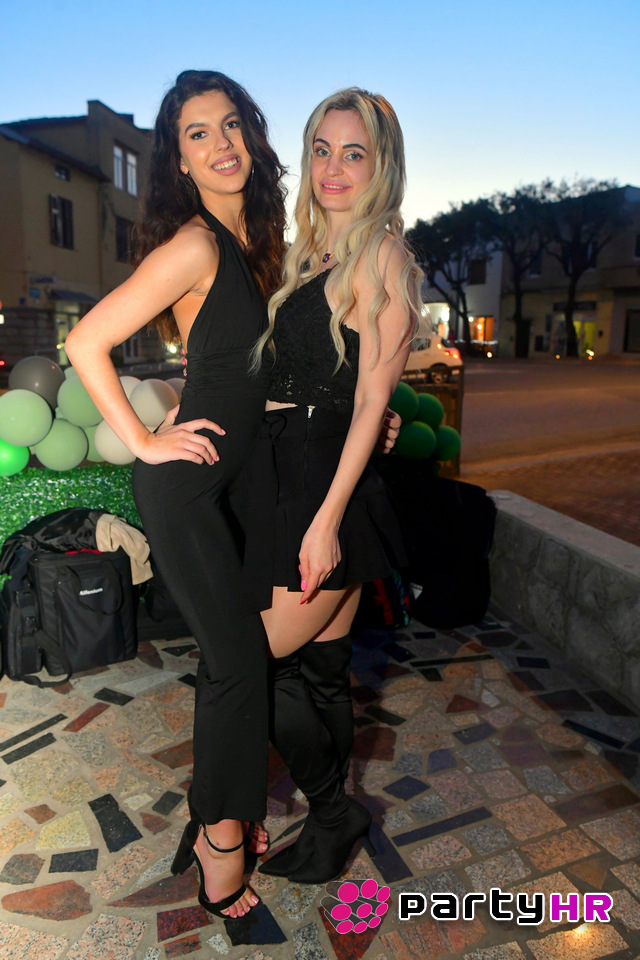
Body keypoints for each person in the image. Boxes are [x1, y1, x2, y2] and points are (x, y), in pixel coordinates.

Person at [65, 69, 287, 920]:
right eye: (199, 133)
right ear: (181, 162)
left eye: (231, 125)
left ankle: (221, 812)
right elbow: (87, 342)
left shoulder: (253, 243)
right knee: (236, 663)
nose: (221, 143)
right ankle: (219, 842)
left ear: (251, 138)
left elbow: (244, 375)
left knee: (243, 659)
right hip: (186, 487)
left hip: (238, 479)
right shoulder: (196, 245)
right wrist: (145, 439)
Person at [246, 88, 425, 883]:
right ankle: (333, 814)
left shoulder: (384, 257)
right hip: (291, 472)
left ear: (382, 166)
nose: (333, 168)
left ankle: (318, 809)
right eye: (322, 149)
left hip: (324, 488)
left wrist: (326, 523)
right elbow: (340, 389)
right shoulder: (313, 255)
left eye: (354, 153)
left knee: (249, 665)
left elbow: (373, 401)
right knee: (320, 672)